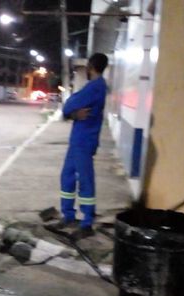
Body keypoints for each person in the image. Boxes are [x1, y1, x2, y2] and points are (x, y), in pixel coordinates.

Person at [51, 53, 109, 240]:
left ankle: (87, 222)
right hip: (78, 140)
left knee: (85, 180)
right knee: (67, 176)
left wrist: (71, 110)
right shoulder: (94, 87)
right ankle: (68, 215)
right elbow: (71, 109)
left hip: (84, 141)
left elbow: (69, 105)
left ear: (91, 66)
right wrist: (74, 113)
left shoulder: (96, 87)